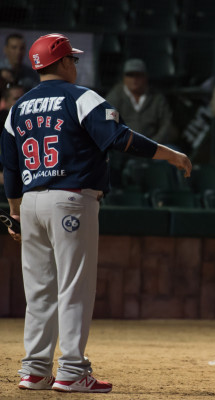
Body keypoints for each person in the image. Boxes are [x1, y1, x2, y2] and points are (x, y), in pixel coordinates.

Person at [0, 33, 191, 393]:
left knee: (40, 289)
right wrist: (170, 154)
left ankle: (36, 370)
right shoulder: (82, 97)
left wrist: (15, 214)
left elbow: (10, 168)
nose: (75, 63)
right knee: (74, 286)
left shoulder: (18, 107)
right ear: (61, 63)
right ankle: (72, 370)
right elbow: (119, 138)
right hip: (71, 198)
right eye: (71, 59)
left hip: (30, 203)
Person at [105, 58, 176, 145]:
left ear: (145, 77)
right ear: (124, 78)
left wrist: (153, 144)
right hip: (123, 147)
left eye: (138, 75)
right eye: (130, 75)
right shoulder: (114, 97)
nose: (134, 79)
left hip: (153, 146)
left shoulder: (157, 98)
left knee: (175, 153)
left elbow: (166, 124)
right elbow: (109, 123)